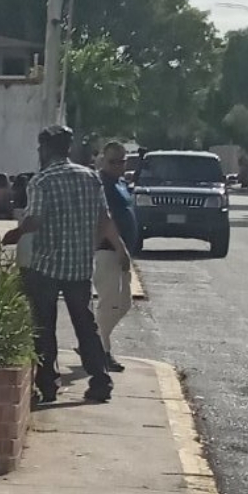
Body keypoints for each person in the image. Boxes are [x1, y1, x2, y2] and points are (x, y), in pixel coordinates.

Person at [0, 125, 122, 405]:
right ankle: (100, 381)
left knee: (43, 325)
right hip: (79, 264)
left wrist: (16, 234)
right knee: (85, 324)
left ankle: (47, 385)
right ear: (67, 149)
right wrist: (117, 247)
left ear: (45, 149)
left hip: (47, 264)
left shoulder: (42, 181)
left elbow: (35, 220)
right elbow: (103, 218)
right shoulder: (90, 177)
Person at [91, 140, 146, 346]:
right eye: (113, 162)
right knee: (110, 303)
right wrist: (119, 248)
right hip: (108, 250)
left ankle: (93, 340)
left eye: (122, 161)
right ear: (103, 161)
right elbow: (106, 220)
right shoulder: (101, 184)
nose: (118, 166)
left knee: (124, 303)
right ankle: (100, 349)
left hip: (122, 252)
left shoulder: (120, 183)